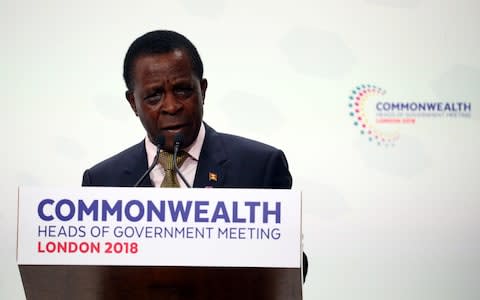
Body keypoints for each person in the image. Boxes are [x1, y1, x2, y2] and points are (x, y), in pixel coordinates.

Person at [81, 30, 307, 279]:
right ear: (133, 103)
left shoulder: (259, 167)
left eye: (182, 90)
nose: (171, 106)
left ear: (203, 90)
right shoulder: (102, 182)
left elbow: (291, 270)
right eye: (154, 96)